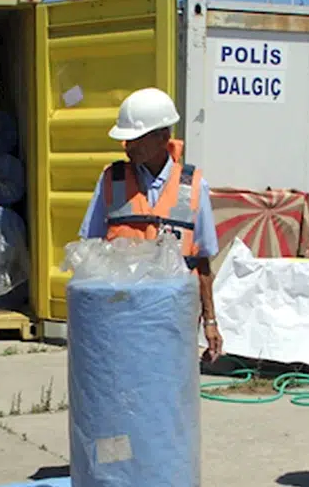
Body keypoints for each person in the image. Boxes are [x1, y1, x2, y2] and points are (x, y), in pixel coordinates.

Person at [79, 87, 223, 360]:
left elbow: (202, 261)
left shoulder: (193, 186)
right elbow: (91, 250)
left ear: (163, 136)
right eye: (126, 140)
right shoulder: (112, 180)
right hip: (122, 313)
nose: (128, 146)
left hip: (174, 315)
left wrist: (211, 322)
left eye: (136, 139)